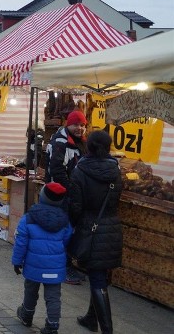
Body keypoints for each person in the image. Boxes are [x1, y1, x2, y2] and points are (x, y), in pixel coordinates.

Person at [69, 130, 122, 334]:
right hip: (111, 225)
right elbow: (116, 198)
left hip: (91, 226)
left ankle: (107, 330)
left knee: (98, 277)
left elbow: (76, 205)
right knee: (99, 272)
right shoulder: (116, 169)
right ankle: (91, 319)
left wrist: (73, 226)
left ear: (89, 146)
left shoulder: (80, 169)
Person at [12, 182, 72, 334]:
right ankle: (52, 325)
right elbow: (66, 240)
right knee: (53, 296)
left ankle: (26, 315)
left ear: (42, 196)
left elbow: (21, 242)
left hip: (34, 264)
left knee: (31, 290)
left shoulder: (29, 218)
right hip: (55, 266)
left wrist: (17, 261)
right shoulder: (65, 221)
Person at [46, 109, 88, 285]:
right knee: (64, 232)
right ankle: (63, 267)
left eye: (82, 125)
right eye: (76, 124)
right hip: (61, 195)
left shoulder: (79, 142)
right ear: (68, 124)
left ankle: (65, 263)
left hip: (71, 193)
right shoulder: (61, 142)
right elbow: (57, 171)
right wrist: (71, 190)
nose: (79, 128)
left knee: (69, 230)